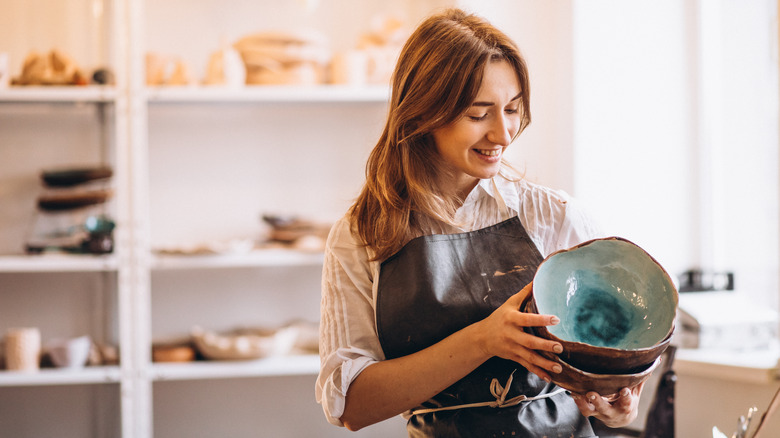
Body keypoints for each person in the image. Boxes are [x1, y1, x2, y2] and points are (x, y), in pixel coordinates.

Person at [316, 8, 644, 437]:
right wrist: (484, 339)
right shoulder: (361, 237)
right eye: (478, 114)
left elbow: (617, 362)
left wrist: (616, 406)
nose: (504, 134)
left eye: (512, 109)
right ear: (422, 113)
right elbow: (351, 406)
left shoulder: (554, 217)